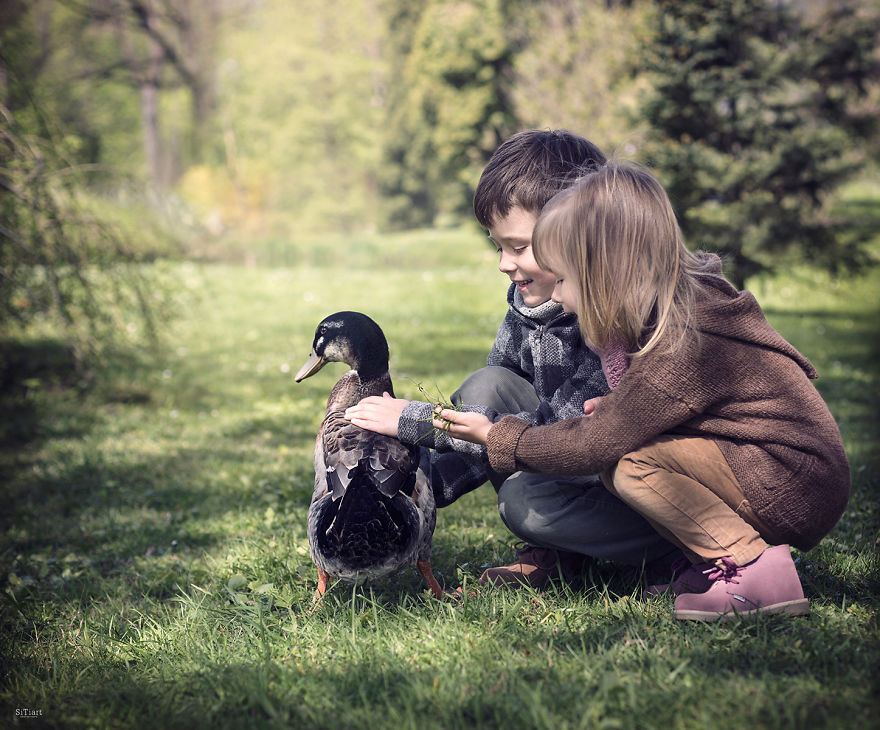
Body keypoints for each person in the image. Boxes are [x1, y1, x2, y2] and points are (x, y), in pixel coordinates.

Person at [433, 162, 850, 620]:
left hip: (786, 482)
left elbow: (597, 443)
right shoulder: (670, 310)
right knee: (625, 460)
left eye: (566, 279)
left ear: (605, 271)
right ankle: (710, 562)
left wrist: (497, 439)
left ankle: (753, 573)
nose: (563, 296)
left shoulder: (682, 341)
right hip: (770, 469)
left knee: (632, 465)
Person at [345, 130, 681, 588]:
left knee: (523, 504)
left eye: (519, 247)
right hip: (561, 459)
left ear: (576, 236)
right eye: (497, 246)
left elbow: (560, 432)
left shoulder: (611, 321)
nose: (504, 263)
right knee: (489, 382)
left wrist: (421, 423)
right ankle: (561, 554)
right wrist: (419, 484)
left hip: (625, 475)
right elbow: (493, 414)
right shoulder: (527, 307)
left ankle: (669, 550)